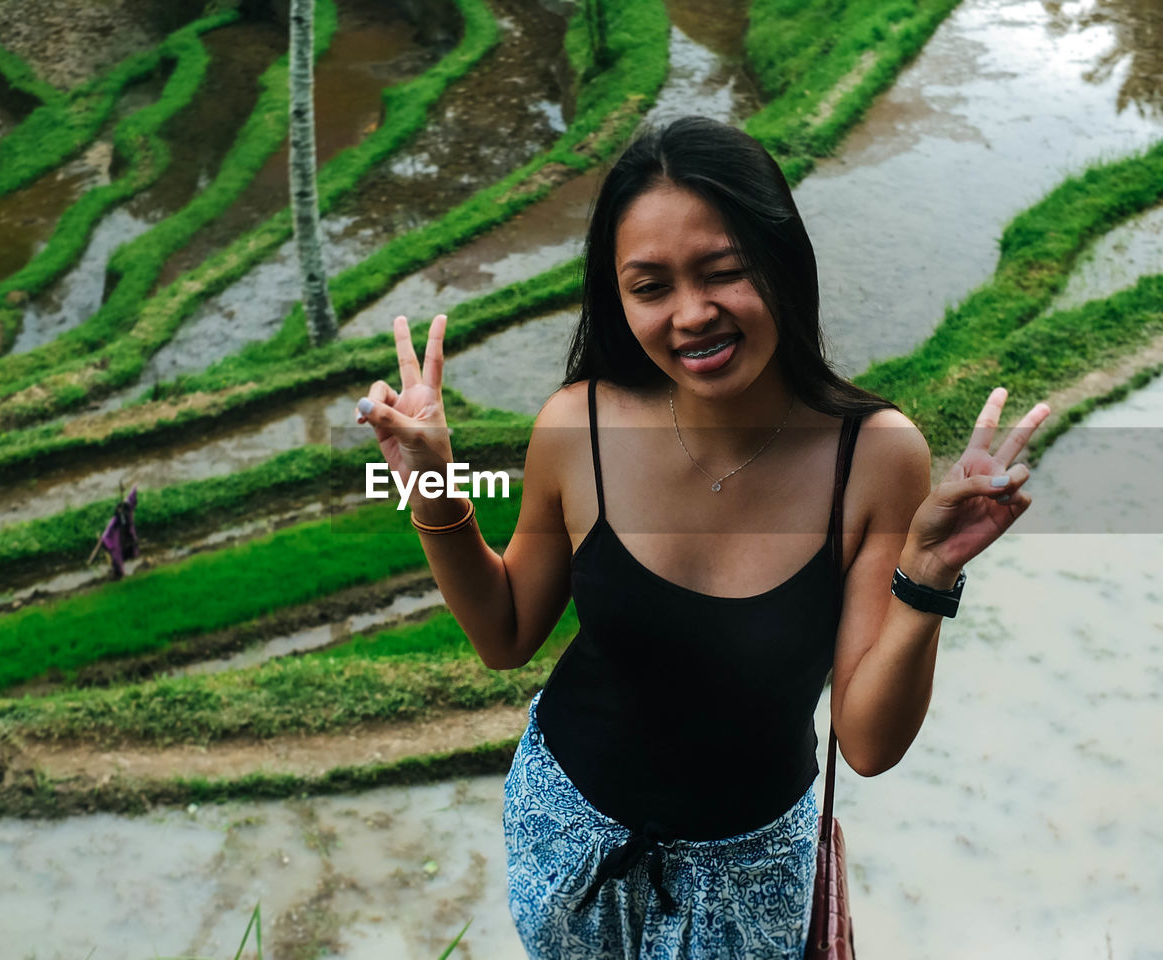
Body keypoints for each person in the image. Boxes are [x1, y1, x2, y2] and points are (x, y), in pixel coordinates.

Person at [353, 116, 1051, 959]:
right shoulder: (581, 425)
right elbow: (504, 634)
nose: (691, 315)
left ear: (782, 263)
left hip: (751, 872)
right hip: (567, 831)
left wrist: (929, 572)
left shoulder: (873, 456)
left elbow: (866, 744)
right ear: (617, 297)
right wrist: (429, 481)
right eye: (650, 287)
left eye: (724, 272)